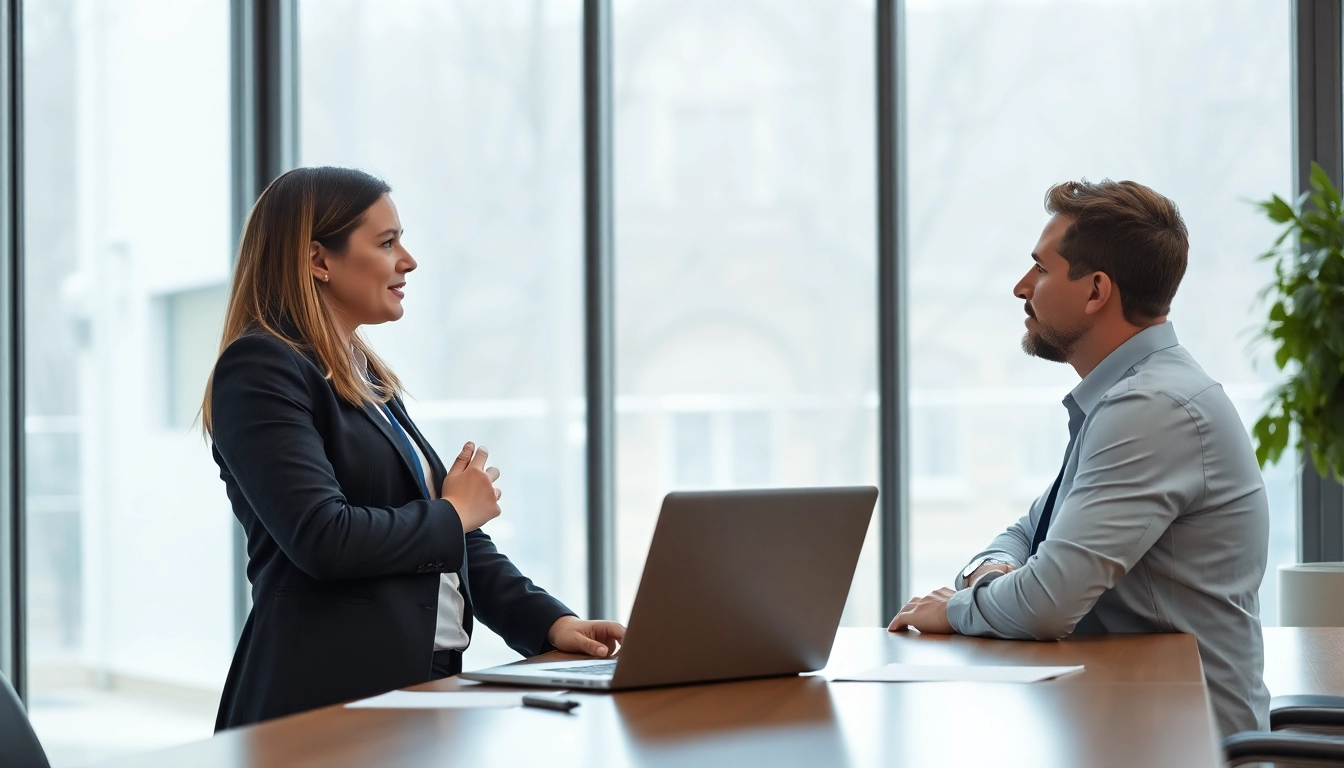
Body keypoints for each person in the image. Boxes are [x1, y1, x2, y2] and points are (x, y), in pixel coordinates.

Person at [203, 166, 624, 730]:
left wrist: (550, 624)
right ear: (317, 260)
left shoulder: (363, 375)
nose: (409, 260)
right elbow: (323, 537)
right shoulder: (261, 367)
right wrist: (452, 512)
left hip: (419, 690)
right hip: (324, 706)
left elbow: (452, 543)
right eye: (386, 242)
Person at [889, 179, 1270, 738]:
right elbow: (1026, 532)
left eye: (1040, 269)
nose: (1021, 288)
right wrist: (988, 575)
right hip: (1135, 715)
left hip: (1185, 740)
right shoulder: (1130, 396)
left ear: (1096, 291)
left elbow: (1046, 604)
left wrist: (952, 609)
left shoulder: (1151, 408)